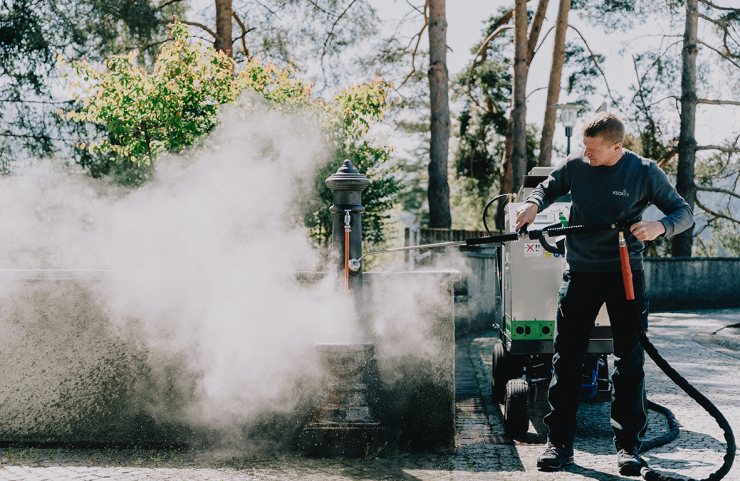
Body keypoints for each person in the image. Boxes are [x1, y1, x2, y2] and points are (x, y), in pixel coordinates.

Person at [514, 112, 693, 475]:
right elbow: (547, 187)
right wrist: (533, 204)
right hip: (581, 273)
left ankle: (628, 449)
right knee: (566, 359)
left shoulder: (644, 172)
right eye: (584, 146)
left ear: (616, 147)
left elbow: (683, 212)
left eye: (593, 149)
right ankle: (559, 444)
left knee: (629, 363)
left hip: (626, 275)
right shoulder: (577, 165)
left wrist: (660, 226)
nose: (585, 154)